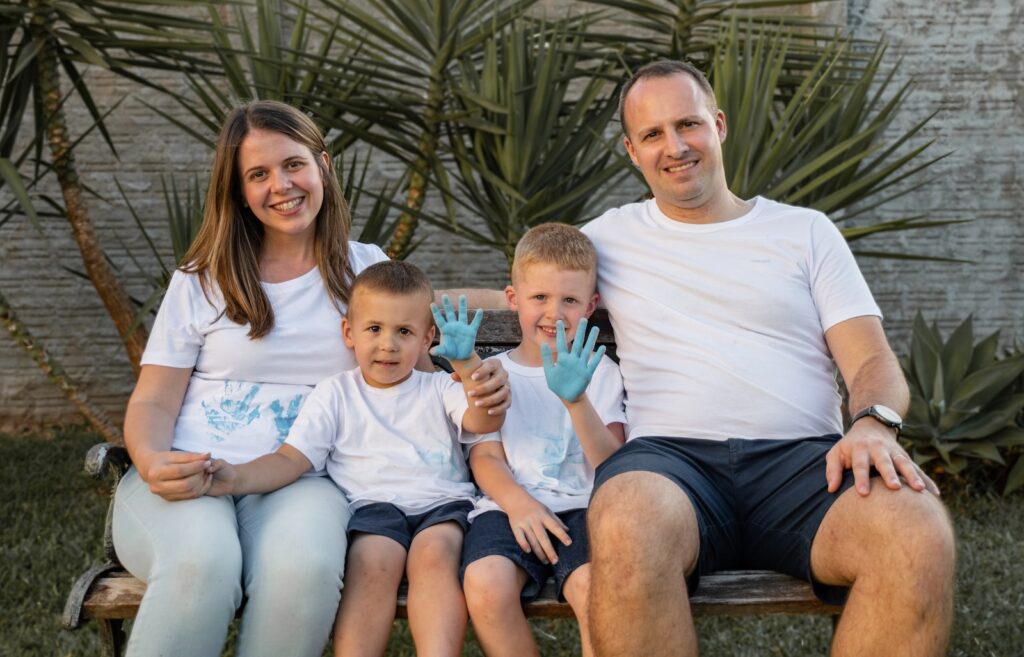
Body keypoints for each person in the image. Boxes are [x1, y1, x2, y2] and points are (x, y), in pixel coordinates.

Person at [580, 61, 956, 656]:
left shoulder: (804, 232)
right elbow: (518, 296)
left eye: (688, 124)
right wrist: (380, 281)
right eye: (652, 134)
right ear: (632, 151)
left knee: (917, 530)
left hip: (806, 467)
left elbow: (869, 362)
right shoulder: (605, 238)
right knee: (627, 516)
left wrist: (874, 424)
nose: (674, 147)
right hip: (673, 468)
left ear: (719, 125)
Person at [111, 100, 509, 657]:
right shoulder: (202, 279)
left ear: (323, 165)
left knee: (307, 567)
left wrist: (495, 351)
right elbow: (153, 400)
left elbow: (421, 362)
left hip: (305, 478)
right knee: (203, 563)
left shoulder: (363, 269)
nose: (281, 185)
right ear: (238, 190)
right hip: (190, 469)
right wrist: (153, 460)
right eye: (258, 174)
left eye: (293, 164)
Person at [207, 261, 502, 657]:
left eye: (404, 331)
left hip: (442, 505)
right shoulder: (335, 394)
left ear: (427, 337)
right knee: (371, 565)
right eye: (375, 329)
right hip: (371, 509)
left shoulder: (438, 388)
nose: (388, 345)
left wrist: (469, 370)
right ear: (349, 332)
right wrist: (235, 478)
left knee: (433, 559)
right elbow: (291, 459)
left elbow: (481, 420)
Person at [460, 224, 626, 657]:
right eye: (540, 298)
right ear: (513, 299)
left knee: (597, 589)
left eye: (569, 300)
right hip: (507, 506)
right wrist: (519, 504)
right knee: (485, 581)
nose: (554, 313)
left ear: (591, 306)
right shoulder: (494, 372)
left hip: (584, 507)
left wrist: (577, 402)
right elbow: (485, 457)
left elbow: (613, 465)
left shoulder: (601, 373)